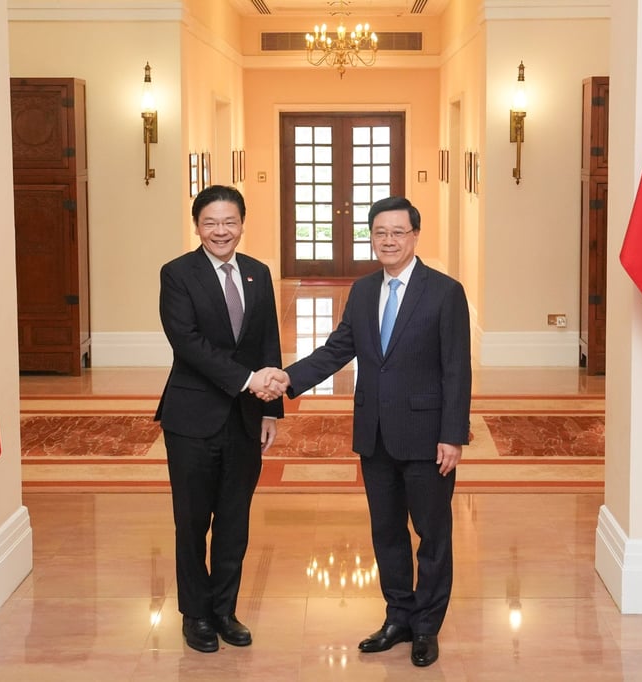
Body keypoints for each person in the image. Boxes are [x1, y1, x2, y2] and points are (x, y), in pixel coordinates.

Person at [261, 195, 471, 667]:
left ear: (416, 236)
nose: (389, 240)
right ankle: (398, 615)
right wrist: (287, 378)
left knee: (432, 535)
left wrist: (452, 435)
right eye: (380, 232)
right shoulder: (361, 291)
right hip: (375, 434)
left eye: (398, 232)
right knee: (386, 532)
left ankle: (425, 628)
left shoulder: (444, 292)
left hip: (427, 436)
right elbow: (337, 350)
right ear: (370, 237)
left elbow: (457, 368)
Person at [155, 184, 284, 653]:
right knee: (192, 521)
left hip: (246, 419)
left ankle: (225, 610)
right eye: (211, 222)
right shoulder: (178, 274)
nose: (221, 231)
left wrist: (271, 407)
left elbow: (268, 339)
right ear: (197, 226)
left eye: (229, 222)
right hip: (191, 417)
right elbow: (188, 343)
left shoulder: (257, 273)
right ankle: (196, 614)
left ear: (243, 224)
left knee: (234, 519)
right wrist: (250, 380)